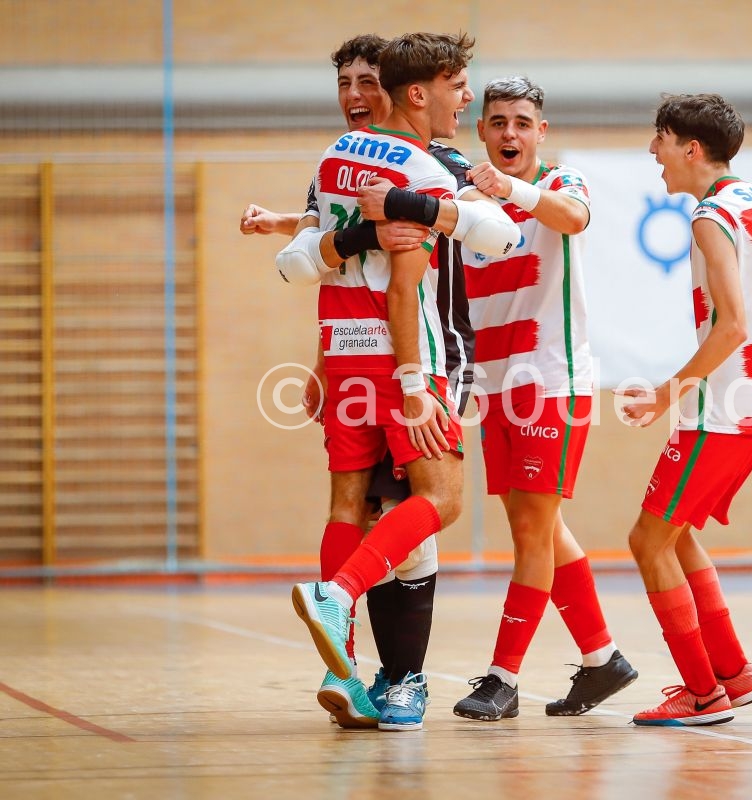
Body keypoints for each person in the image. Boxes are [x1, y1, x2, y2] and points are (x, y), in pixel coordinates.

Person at [417, 76, 637, 723]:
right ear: (481, 132)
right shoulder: (465, 205)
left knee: (529, 531)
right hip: (495, 385)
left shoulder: (560, 186)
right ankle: (603, 661)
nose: (510, 133)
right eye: (498, 123)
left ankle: (504, 678)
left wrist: (508, 188)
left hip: (551, 383)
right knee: (543, 528)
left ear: (541, 132)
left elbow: (570, 218)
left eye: (522, 122)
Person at [285, 30, 479, 726]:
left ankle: (349, 671)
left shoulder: (344, 158)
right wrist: (407, 375)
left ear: (392, 88)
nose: (355, 96)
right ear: (421, 92)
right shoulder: (423, 165)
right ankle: (398, 676)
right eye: (346, 84)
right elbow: (372, 274)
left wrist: (323, 356)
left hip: (355, 350)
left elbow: (313, 254)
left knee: (364, 509)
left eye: (368, 82)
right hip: (414, 358)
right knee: (427, 508)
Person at [618, 93, 752, 726]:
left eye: (661, 140)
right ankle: (735, 670)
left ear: (691, 148)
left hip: (721, 410)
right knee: (678, 537)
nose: (655, 152)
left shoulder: (711, 216)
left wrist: (663, 394)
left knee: (648, 540)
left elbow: (730, 327)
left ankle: (702, 694)